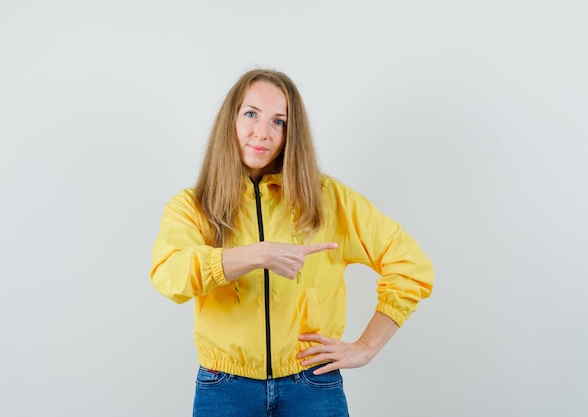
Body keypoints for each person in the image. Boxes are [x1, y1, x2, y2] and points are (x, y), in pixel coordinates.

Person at [150, 68, 434, 417]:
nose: (262, 133)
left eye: (279, 122)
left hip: (312, 386)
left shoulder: (329, 200)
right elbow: (169, 275)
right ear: (231, 120)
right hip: (224, 388)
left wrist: (365, 347)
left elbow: (411, 265)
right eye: (251, 114)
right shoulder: (193, 205)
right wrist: (258, 255)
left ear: (291, 133)